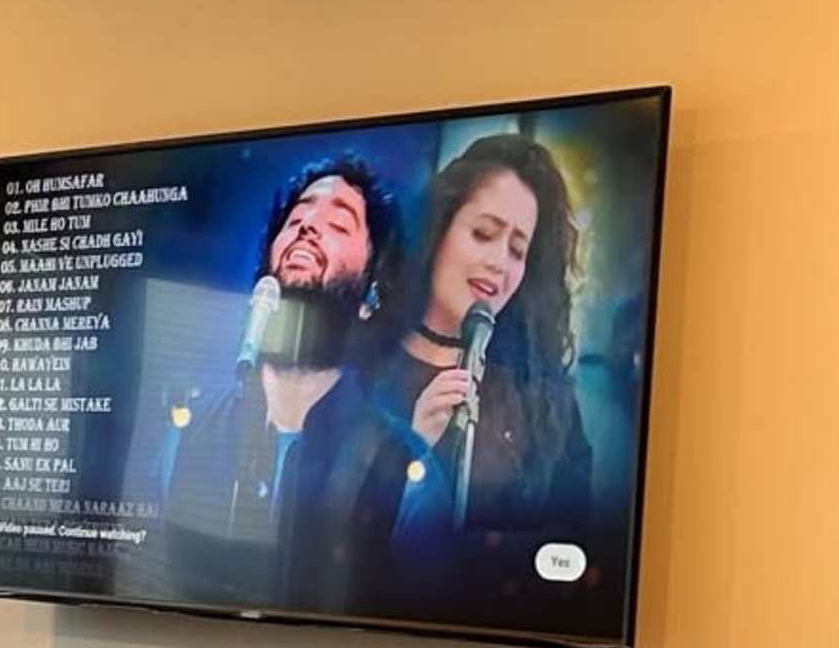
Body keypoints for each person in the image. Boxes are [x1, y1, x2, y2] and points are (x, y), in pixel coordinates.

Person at [278, 132, 594, 619]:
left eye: (517, 249)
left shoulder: (545, 401)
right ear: (439, 230)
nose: (498, 263)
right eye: (484, 234)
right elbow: (310, 548)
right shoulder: (353, 366)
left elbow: (576, 555)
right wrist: (405, 451)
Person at [153, 155, 400, 608]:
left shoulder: (389, 458)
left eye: (339, 224)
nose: (307, 226)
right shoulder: (187, 435)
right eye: (298, 217)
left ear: (371, 293)